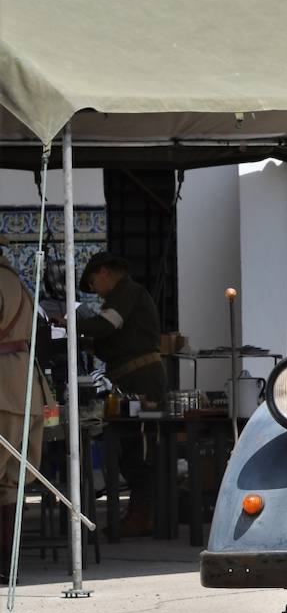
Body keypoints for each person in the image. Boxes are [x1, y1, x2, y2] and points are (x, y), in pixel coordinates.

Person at [73, 251, 166, 536]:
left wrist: (70, 324)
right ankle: (139, 514)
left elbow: (105, 326)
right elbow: (110, 341)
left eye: (93, 282)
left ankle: (145, 516)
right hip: (130, 382)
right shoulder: (123, 298)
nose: (96, 292)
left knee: (142, 446)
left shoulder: (128, 293)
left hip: (144, 384)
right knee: (131, 448)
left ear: (104, 272)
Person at [0, 235, 53, 576]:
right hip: (25, 385)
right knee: (10, 482)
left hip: (3, 386)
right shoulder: (16, 281)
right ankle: (7, 563)